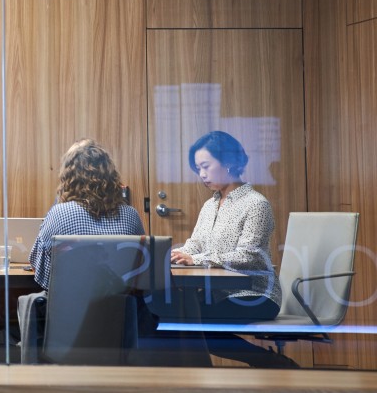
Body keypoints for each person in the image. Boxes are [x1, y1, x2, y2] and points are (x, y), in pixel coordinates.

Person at [170, 131, 292, 367]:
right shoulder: (210, 204)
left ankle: (269, 361)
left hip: (256, 295)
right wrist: (176, 255)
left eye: (205, 166)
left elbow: (248, 255)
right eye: (198, 169)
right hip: (218, 294)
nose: (202, 174)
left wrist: (196, 260)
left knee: (193, 322)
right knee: (173, 314)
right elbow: (195, 244)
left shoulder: (256, 204)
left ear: (228, 162)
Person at [28, 138, 144, 290]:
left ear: (68, 177)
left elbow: (38, 267)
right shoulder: (131, 215)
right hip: (121, 311)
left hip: (70, 311)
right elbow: (142, 267)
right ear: (111, 176)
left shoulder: (59, 214)